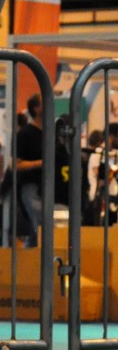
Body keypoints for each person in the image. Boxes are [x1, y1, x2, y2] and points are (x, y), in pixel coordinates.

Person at [15, 92, 44, 247]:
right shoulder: (25, 134)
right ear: (36, 108)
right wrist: (40, 163)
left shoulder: (51, 132)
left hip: (49, 186)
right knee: (39, 225)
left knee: (40, 228)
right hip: (30, 186)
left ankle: (31, 260)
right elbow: (16, 164)